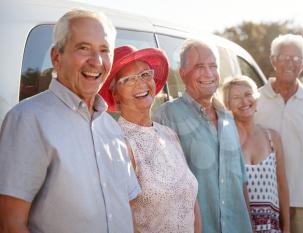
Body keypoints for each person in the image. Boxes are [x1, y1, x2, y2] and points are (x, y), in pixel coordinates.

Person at [0, 9, 140, 233]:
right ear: (56, 57)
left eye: (104, 50)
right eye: (83, 48)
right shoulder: (27, 119)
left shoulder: (112, 129)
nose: (96, 61)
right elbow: (10, 224)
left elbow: (128, 213)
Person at [153, 39, 253, 233]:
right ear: (182, 73)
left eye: (213, 66)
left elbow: (242, 184)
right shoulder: (166, 116)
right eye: (199, 66)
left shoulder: (228, 119)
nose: (208, 73)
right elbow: (162, 192)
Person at [99, 45, 200, 233]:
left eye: (145, 74)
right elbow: (123, 224)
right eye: (128, 80)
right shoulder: (119, 144)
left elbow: (192, 201)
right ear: (115, 93)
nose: (141, 84)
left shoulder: (169, 134)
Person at [254, 34, 303, 233]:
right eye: (283, 57)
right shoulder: (254, 99)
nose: (290, 63)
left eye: (296, 58)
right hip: (261, 198)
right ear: (273, 60)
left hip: (301, 202)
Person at [222, 75, 290, 233]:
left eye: (248, 94)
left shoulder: (272, 137)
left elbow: (282, 184)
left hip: (270, 227)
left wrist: (287, 227)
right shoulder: (224, 138)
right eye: (236, 97)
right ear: (228, 104)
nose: (244, 102)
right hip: (237, 226)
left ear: (256, 98)